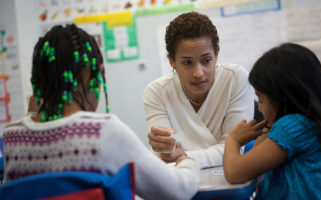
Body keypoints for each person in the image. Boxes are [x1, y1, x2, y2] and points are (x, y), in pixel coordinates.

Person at [2, 24, 200, 200]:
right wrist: (185, 160)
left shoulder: (12, 137)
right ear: (96, 76)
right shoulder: (101, 133)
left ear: (37, 80)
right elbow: (178, 191)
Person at [143, 11, 254, 169]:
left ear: (216, 55)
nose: (198, 73)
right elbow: (167, 155)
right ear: (172, 61)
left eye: (206, 60)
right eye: (187, 63)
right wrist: (163, 148)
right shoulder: (157, 92)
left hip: (228, 179)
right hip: (181, 181)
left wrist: (184, 156)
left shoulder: (235, 79)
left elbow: (234, 149)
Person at [223, 43, 321, 200]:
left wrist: (233, 139)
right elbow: (256, 166)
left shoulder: (294, 126)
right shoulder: (308, 124)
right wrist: (268, 131)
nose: (259, 109)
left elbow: (235, 173)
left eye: (261, 99)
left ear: (282, 100)